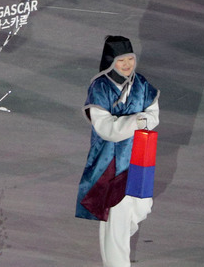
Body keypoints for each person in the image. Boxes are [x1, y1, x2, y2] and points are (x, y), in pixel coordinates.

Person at [76, 35, 159, 267]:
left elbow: (153, 115)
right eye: (121, 60)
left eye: (130, 59)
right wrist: (136, 121)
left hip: (139, 159)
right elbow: (106, 129)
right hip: (110, 165)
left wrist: (142, 120)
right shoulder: (99, 87)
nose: (127, 65)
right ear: (111, 61)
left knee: (142, 206)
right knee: (117, 219)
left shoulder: (141, 84)